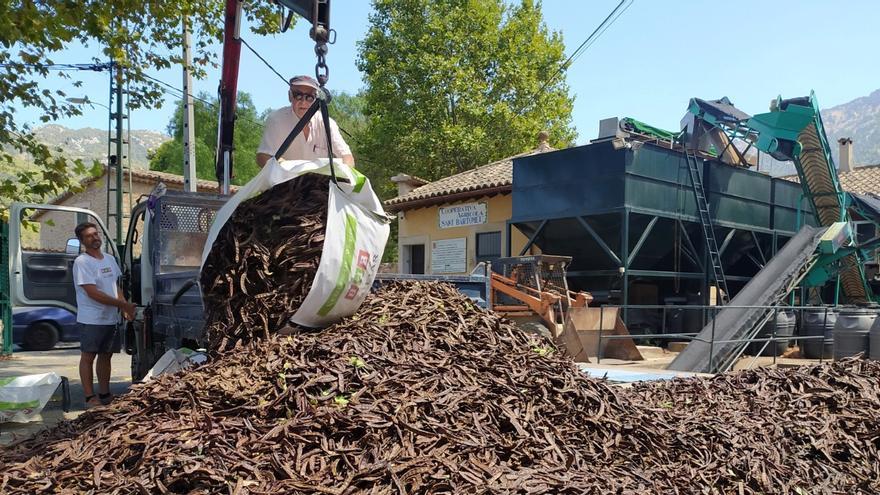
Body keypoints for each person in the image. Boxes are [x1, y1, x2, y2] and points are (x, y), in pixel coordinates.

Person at [72, 222, 135, 408]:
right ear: (82, 241)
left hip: (110, 318)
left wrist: (122, 306)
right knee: (88, 356)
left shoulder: (109, 259)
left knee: (106, 355)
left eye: (96, 234)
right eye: (89, 236)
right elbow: (93, 292)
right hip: (91, 318)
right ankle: (89, 397)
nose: (95, 237)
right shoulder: (82, 262)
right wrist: (122, 304)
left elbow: (116, 286)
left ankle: (105, 394)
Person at [256, 75, 354, 168]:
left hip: (319, 183)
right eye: (298, 95)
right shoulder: (276, 119)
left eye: (309, 97)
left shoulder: (327, 123)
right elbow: (263, 157)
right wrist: (284, 166)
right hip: (283, 181)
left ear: (316, 99)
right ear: (290, 96)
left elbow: (347, 157)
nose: (303, 102)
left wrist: (343, 171)